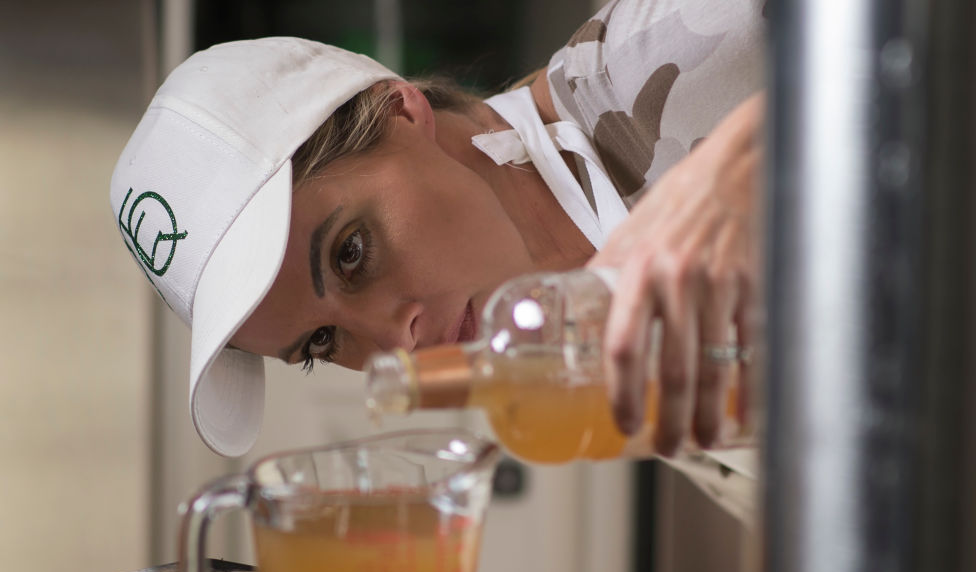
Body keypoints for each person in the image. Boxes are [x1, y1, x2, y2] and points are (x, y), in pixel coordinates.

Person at [110, 0, 766, 459]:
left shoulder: (675, 45)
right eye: (321, 341)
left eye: (351, 253)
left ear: (401, 112)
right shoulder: (573, 348)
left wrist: (746, 157)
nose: (396, 342)